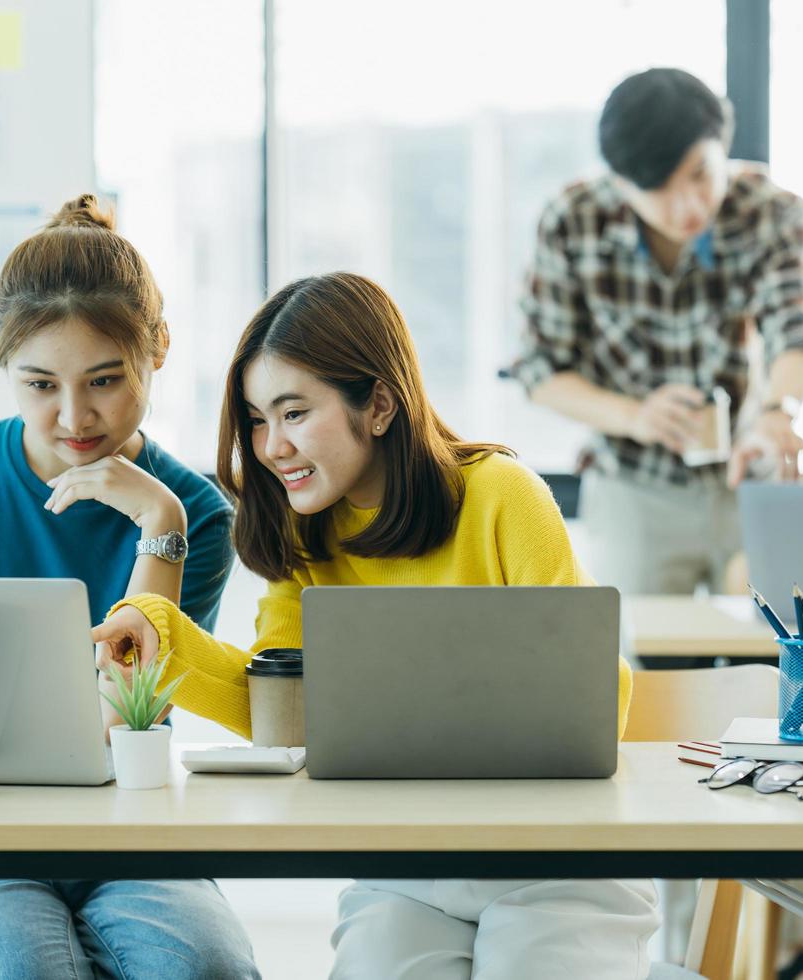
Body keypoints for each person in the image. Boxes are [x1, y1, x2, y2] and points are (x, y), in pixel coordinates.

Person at [94, 271, 659, 979]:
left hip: (558, 859)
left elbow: (595, 705)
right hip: (409, 868)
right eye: (258, 419)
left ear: (381, 405)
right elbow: (286, 718)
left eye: (294, 412)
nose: (270, 446)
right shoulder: (305, 540)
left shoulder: (501, 496)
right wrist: (161, 631)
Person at [0, 194, 259, 980]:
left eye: (104, 379)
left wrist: (158, 527)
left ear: (157, 350)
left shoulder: (194, 515)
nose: (75, 417)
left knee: (205, 972)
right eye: (39, 384)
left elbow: (122, 716)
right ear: (2, 366)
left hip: (130, 837)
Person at [505, 67, 803, 597]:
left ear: (722, 145)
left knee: (776, 650)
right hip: (635, 487)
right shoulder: (572, 221)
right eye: (659, 190)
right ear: (618, 181)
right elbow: (541, 371)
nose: (689, 206)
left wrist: (779, 413)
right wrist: (636, 416)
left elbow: (795, 333)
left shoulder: (771, 211)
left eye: (702, 175)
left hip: (752, 475)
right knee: (634, 664)